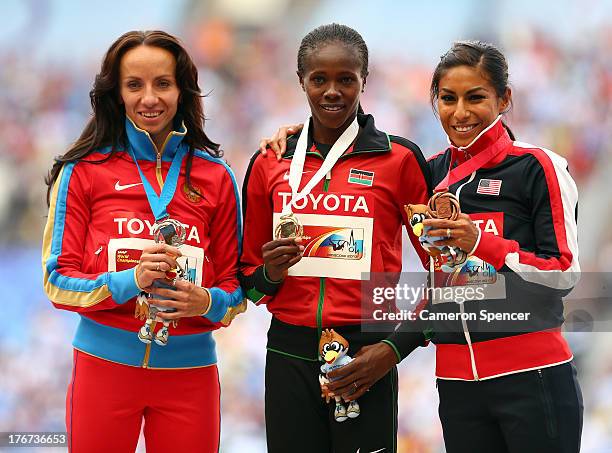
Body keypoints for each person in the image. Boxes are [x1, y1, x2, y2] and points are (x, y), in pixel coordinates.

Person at [264, 40, 583, 453]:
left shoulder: (536, 167)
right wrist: (303, 136)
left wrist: (481, 242)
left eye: (476, 97)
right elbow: (439, 290)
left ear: (504, 99)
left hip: (532, 375)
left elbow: (564, 273)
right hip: (456, 387)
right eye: (448, 98)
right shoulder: (428, 174)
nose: (460, 112)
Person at [42, 30, 245, 453]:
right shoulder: (83, 171)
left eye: (163, 84)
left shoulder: (216, 176)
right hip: (103, 370)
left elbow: (235, 287)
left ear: (182, 90)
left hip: (191, 375)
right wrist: (129, 280)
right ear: (116, 93)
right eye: (134, 85)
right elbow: (56, 281)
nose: (149, 98)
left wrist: (205, 303)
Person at [239, 23, 431, 453]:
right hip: (288, 353)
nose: (332, 91)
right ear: (300, 81)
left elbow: (447, 271)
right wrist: (269, 272)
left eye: (346, 79)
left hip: (369, 349)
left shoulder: (400, 160)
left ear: (366, 79)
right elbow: (246, 282)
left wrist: (392, 349)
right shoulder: (270, 162)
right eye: (318, 79)